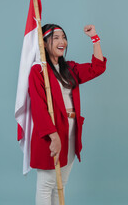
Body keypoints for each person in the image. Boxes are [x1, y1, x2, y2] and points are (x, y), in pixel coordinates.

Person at [28, 24, 107, 205]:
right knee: (46, 184)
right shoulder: (38, 72)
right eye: (56, 38)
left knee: (61, 184)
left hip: (71, 130)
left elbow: (97, 68)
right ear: (44, 43)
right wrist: (53, 135)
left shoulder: (70, 68)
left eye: (63, 37)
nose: (62, 41)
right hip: (50, 132)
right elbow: (38, 108)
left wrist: (95, 38)